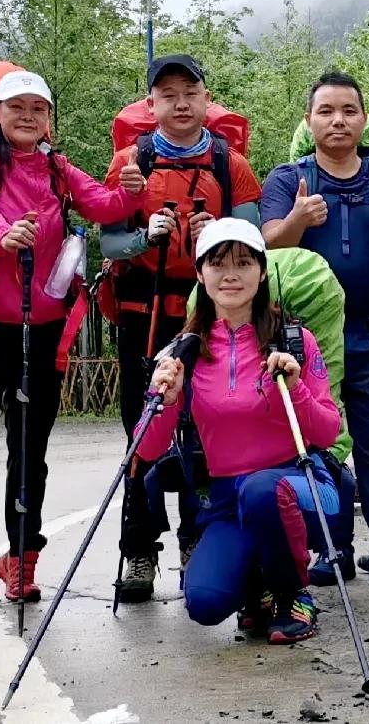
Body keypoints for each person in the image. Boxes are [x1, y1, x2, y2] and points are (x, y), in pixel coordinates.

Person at [0, 70, 145, 607]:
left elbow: (101, 206)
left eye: (38, 107)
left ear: (49, 117)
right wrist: (1, 235)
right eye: (16, 106)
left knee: (31, 451)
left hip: (45, 329)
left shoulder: (57, 168)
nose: (28, 115)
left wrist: (130, 194)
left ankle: (21, 558)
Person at [138, 219, 346, 645]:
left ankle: (292, 596)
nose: (230, 274)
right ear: (200, 274)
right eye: (217, 264)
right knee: (205, 602)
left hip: (302, 484)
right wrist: (167, 399)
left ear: (262, 271)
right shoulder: (184, 352)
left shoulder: (294, 341)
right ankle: (259, 590)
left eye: (243, 262)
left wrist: (296, 387)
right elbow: (148, 446)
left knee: (262, 490)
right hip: (228, 498)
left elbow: (327, 432)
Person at [260, 72, 369, 592]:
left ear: (363, 119)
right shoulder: (288, 179)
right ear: (309, 120)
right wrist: (298, 219)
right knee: (316, 442)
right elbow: (268, 245)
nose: (338, 120)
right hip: (306, 338)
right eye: (327, 111)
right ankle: (329, 548)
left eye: (349, 110)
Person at [103, 53, 262, 603]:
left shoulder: (230, 164)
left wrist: (216, 234)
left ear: (205, 98)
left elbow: (253, 247)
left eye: (189, 91)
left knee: (206, 432)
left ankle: (199, 540)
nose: (179, 102)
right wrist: (144, 237)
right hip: (141, 315)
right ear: (151, 104)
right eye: (166, 93)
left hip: (206, 314)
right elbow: (108, 246)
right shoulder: (130, 163)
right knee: (143, 434)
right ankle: (140, 550)